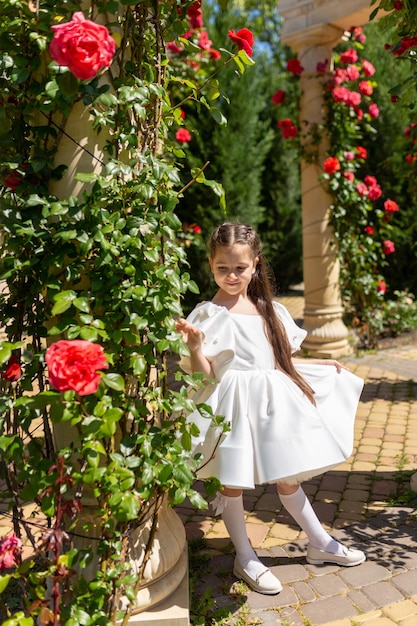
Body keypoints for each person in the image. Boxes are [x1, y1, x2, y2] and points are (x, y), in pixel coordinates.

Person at [176, 222, 366, 595]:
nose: (231, 276)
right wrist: (196, 348)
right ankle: (244, 555)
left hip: (272, 403)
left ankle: (319, 543)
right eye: (222, 268)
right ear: (211, 265)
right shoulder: (207, 314)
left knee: (288, 474)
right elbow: (206, 378)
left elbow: (277, 363)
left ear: (255, 264)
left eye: (240, 268)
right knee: (232, 481)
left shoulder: (270, 309)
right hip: (230, 404)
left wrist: (321, 367)